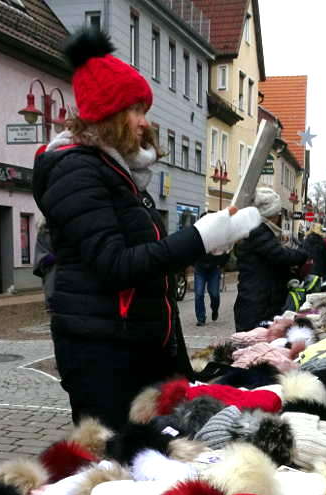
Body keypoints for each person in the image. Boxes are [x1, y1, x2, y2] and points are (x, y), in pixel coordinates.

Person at [32, 29, 260, 430]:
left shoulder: (117, 173)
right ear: (110, 114)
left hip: (133, 346)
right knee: (117, 462)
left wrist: (211, 244)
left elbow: (147, 261)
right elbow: (116, 264)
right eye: (136, 110)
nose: (144, 122)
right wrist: (199, 238)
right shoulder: (78, 171)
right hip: (103, 354)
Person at [234, 188, 308, 332]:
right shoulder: (258, 231)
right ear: (270, 215)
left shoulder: (256, 230)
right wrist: (302, 254)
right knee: (254, 344)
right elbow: (279, 255)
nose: (279, 217)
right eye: (277, 214)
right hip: (256, 304)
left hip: (257, 301)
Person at [194, 245, 229, 326]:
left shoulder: (216, 236)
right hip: (200, 268)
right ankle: (201, 318)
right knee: (199, 294)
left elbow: (226, 250)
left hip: (214, 269)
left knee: (214, 294)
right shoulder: (198, 235)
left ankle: (215, 310)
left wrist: (221, 264)